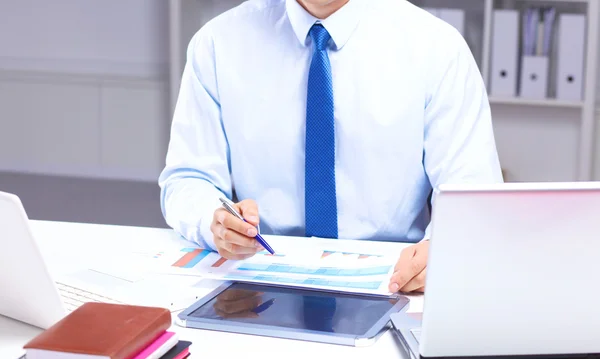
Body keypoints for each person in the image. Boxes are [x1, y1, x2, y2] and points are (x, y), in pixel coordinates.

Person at [158, 0, 503, 294]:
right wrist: (213, 220)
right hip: (261, 279)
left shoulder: (437, 49)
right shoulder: (218, 44)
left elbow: (473, 197)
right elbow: (187, 179)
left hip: (392, 282)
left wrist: (442, 250)